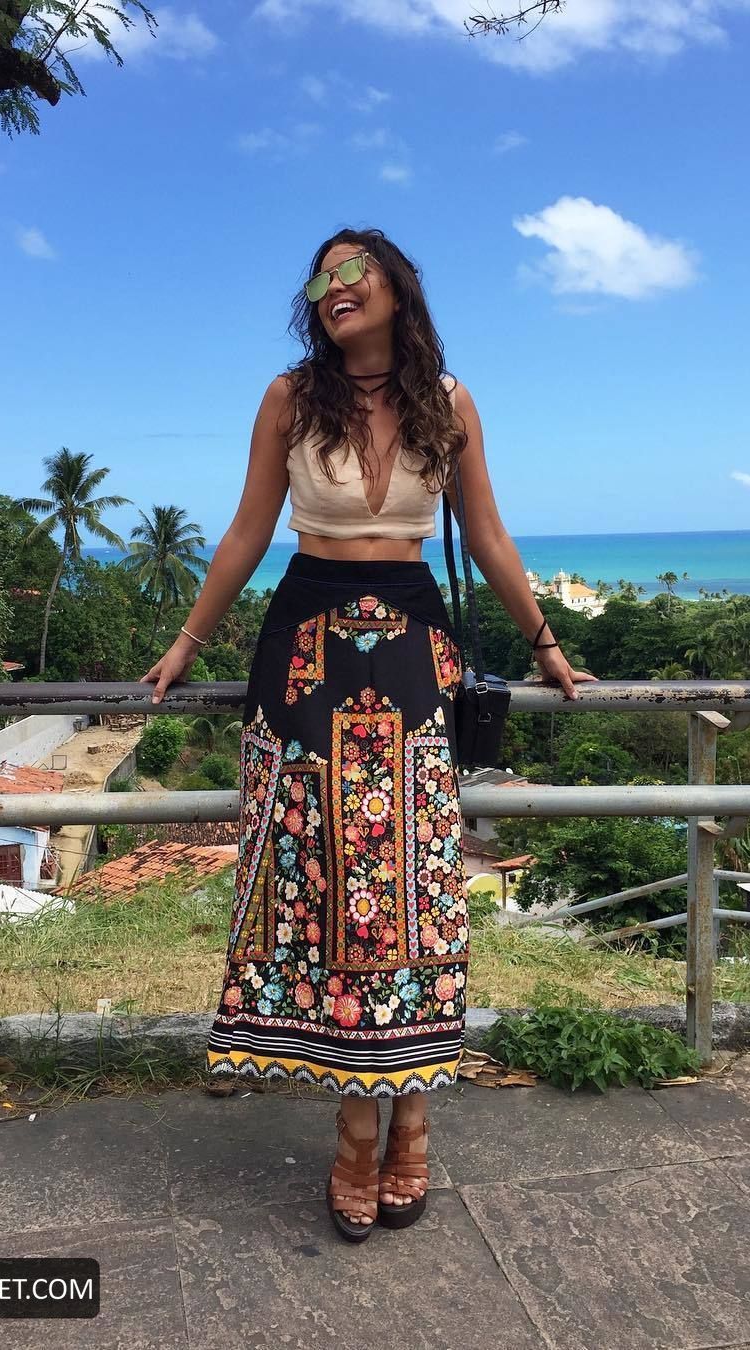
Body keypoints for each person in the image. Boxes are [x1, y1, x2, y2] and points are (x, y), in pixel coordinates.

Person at [139, 227, 597, 1242]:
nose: (334, 286)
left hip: (414, 646)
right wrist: (185, 643)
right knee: (323, 881)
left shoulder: (450, 401)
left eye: (354, 270)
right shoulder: (290, 398)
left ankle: (414, 1120)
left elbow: (487, 533)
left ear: (396, 287)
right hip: (305, 645)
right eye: (322, 276)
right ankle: (356, 1130)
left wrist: (546, 643)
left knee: (420, 880)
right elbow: (248, 530)